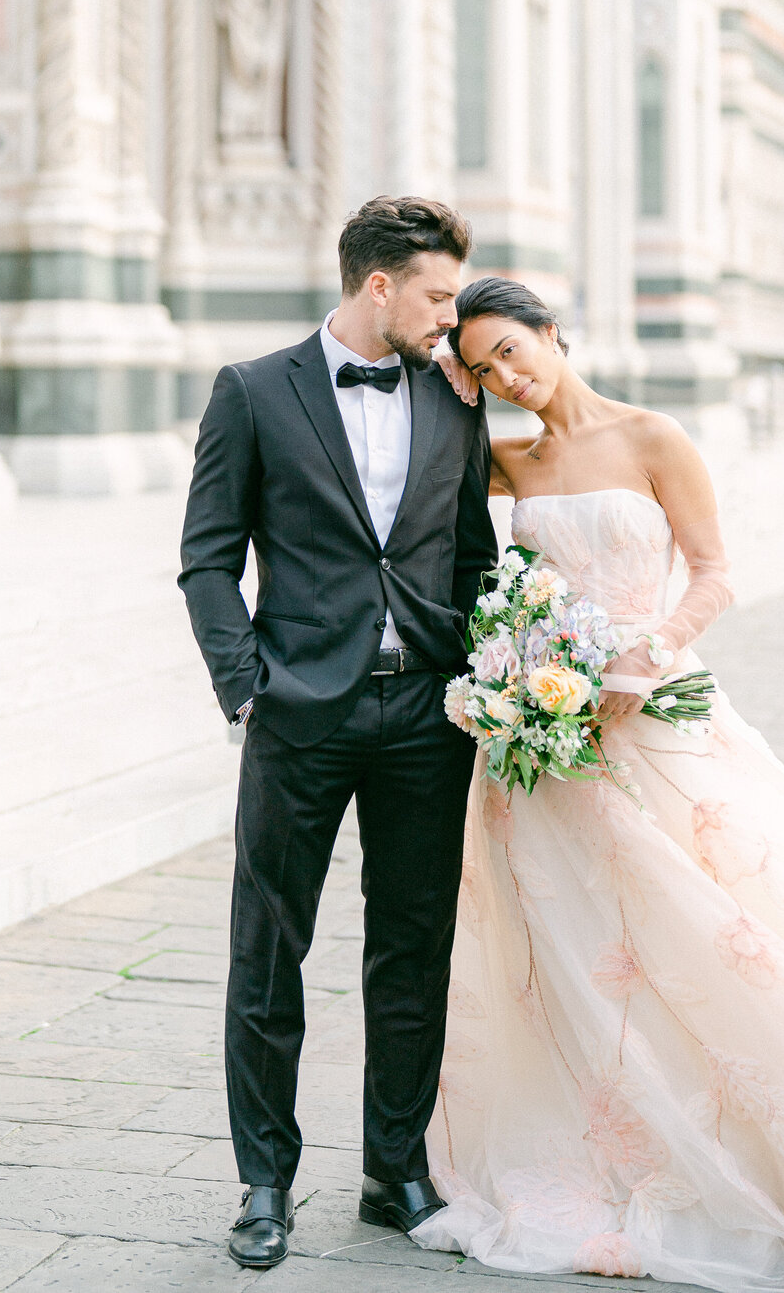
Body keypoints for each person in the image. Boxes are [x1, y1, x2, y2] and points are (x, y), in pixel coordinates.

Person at [413, 275, 784, 1290]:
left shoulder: (654, 436)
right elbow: (478, 561)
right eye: (482, 367)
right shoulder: (506, 457)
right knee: (577, 944)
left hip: (652, 711)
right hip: (546, 744)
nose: (508, 376)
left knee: (712, 918)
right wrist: (452, 397)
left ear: (554, 331)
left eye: (513, 349)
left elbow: (714, 569)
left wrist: (647, 650)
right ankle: (609, 1140)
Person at [178, 196, 499, 1269]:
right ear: (379, 286)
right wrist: (246, 687)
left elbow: (469, 556)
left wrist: (490, 671)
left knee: (413, 948)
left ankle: (392, 1170)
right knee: (269, 948)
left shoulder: (455, 399)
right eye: (440, 295)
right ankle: (263, 1180)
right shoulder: (255, 391)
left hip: (426, 717)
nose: (451, 317)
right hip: (298, 715)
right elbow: (208, 557)